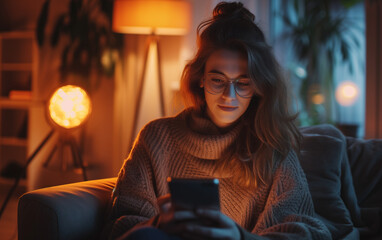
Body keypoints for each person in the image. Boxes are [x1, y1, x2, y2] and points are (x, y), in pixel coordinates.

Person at [102, 2, 331, 240]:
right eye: (217, 80)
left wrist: (240, 237)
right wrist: (159, 222)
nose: (228, 96)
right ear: (200, 78)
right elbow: (118, 226)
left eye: (243, 83)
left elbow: (309, 233)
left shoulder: (272, 147)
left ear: (258, 86)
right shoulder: (155, 139)